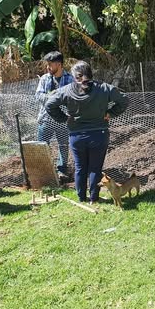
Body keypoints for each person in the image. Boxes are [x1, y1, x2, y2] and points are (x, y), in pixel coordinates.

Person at [45, 61, 129, 204]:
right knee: (95, 169)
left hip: (76, 136)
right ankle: (94, 198)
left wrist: (64, 118)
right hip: (99, 135)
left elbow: (49, 104)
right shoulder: (104, 88)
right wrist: (111, 113)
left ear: (74, 76)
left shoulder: (65, 90)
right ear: (91, 74)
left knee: (80, 168)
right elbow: (124, 100)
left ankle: (81, 198)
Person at [35, 51, 73, 180]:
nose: (47, 67)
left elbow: (72, 98)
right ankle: (43, 172)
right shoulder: (45, 78)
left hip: (63, 118)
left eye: (50, 64)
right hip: (45, 118)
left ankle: (61, 171)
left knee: (63, 145)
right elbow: (38, 95)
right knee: (42, 145)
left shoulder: (70, 79)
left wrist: (56, 98)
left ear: (59, 64)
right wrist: (54, 97)